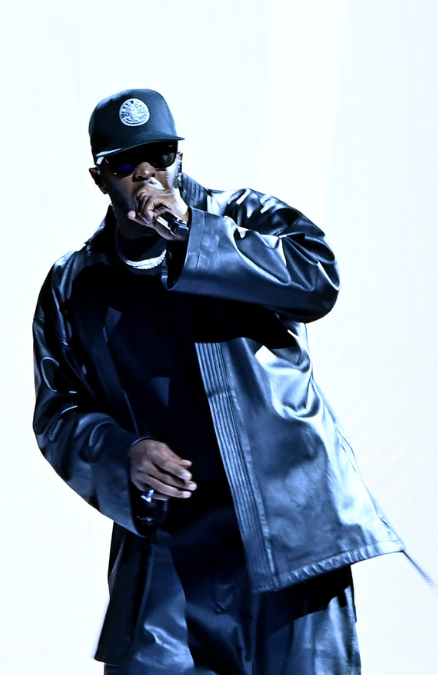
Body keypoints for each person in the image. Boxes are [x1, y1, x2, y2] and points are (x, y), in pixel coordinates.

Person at [31, 88, 403, 674]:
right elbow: (59, 410)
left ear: (180, 157)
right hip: (169, 554)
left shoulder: (245, 219)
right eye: (126, 164)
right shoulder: (75, 284)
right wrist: (123, 452)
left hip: (286, 541)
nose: (148, 175)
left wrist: (195, 233)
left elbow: (317, 280)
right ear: (100, 178)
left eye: (161, 155)